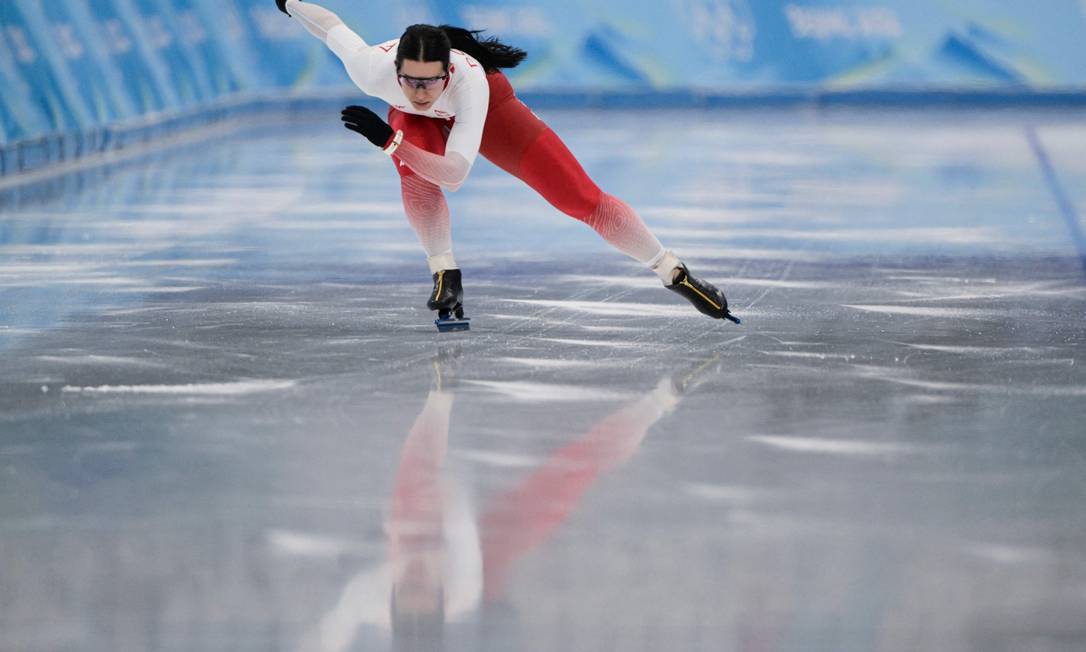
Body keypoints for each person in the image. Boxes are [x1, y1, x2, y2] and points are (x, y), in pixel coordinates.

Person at [276, 0, 740, 326]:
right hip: (414, 125)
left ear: (448, 72)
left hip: (494, 110)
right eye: (409, 82)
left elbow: (457, 173)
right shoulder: (370, 69)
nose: (418, 93)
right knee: (416, 173)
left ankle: (672, 270)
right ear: (395, 70)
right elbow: (330, 24)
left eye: (429, 83)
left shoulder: (470, 82)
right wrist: (291, 3)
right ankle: (445, 272)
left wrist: (390, 142)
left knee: (580, 199)